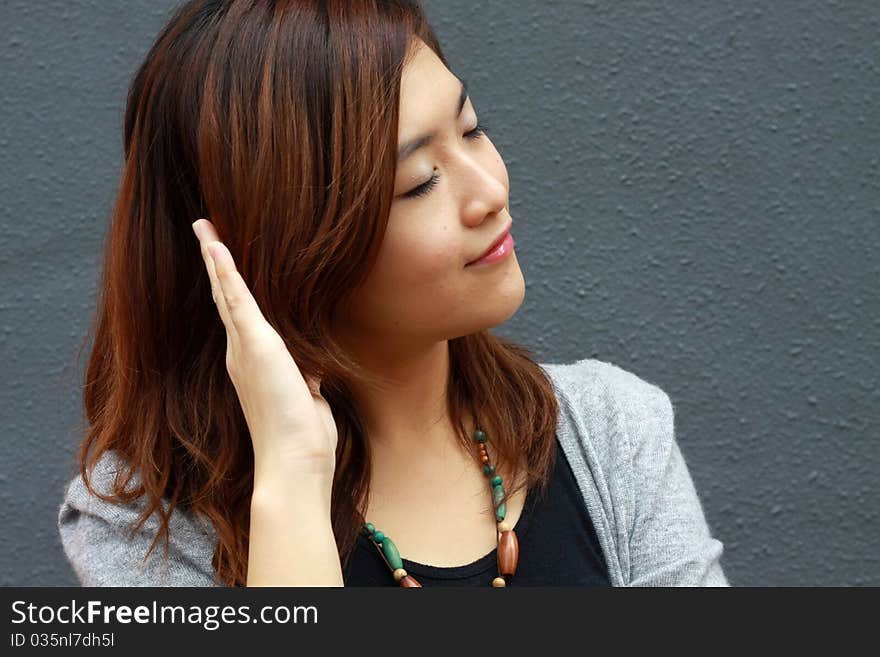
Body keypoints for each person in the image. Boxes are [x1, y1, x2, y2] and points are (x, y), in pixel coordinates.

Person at [57, 0, 729, 587]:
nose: (490, 191)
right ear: (281, 249)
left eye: (471, 129)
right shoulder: (148, 525)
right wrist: (291, 473)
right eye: (418, 182)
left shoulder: (612, 431)